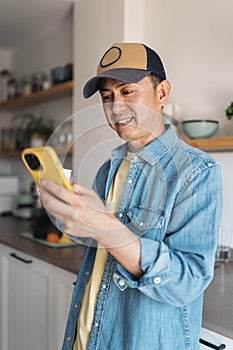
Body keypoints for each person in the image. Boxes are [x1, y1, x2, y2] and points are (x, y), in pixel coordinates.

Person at [40, 42, 222, 350]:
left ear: (162, 93)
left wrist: (104, 227)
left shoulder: (197, 171)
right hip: (85, 338)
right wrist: (68, 213)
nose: (116, 107)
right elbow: (100, 253)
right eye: (107, 97)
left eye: (127, 92)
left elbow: (188, 281)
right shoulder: (106, 169)